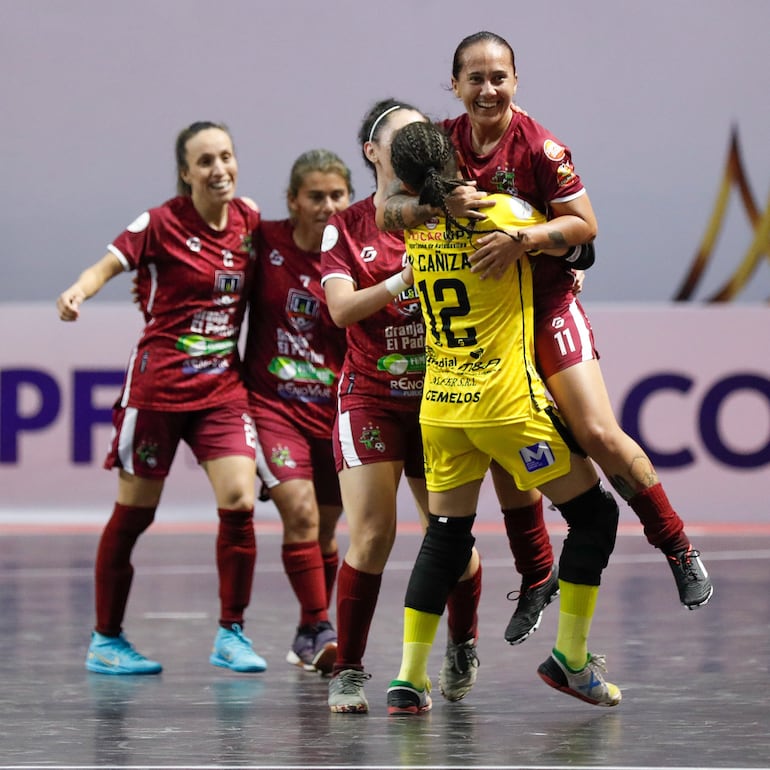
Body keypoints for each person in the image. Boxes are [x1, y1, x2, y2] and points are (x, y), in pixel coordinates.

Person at [376, 30, 712, 614]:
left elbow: (585, 226)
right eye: (475, 79)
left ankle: (676, 545)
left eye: (498, 77)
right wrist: (438, 204)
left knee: (598, 434)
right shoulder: (440, 144)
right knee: (507, 453)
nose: (487, 90)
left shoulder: (540, 147)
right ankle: (537, 576)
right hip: (484, 328)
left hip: (547, 308)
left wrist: (523, 241)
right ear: (453, 86)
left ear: (516, 81)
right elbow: (386, 211)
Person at [384, 119, 621, 715]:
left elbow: (396, 210)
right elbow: (578, 242)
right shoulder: (506, 211)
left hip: (440, 407)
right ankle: (571, 658)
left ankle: (410, 678)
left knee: (443, 538)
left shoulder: (414, 228)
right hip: (505, 405)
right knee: (595, 514)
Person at [57, 121, 267, 675]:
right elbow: (108, 263)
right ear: (185, 172)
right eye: (205, 161)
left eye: (225, 156)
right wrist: (79, 291)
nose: (218, 168)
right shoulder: (160, 223)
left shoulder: (248, 220)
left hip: (222, 389)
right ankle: (106, 639)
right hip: (158, 391)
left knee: (240, 501)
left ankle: (231, 633)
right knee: (133, 515)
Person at [320, 99, 491, 713]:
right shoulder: (349, 225)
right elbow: (341, 311)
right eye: (402, 136)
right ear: (373, 151)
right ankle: (350, 670)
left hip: (442, 398)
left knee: (454, 544)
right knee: (373, 533)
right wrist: (399, 283)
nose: (420, 142)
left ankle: (462, 643)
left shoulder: (455, 212)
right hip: (370, 395)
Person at [244, 149, 353, 675]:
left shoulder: (356, 257)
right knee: (302, 515)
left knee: (327, 530)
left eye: (337, 195)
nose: (328, 206)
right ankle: (320, 623)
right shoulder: (263, 241)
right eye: (316, 196)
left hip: (334, 414)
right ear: (292, 201)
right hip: (272, 406)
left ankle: (309, 631)